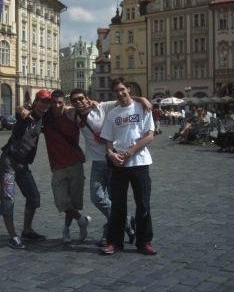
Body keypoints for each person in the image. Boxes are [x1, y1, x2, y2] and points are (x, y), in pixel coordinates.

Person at [70, 88, 141, 246]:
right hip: (96, 162)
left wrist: (142, 99)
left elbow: (124, 100)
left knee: (113, 199)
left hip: (112, 160)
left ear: (87, 98)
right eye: (74, 100)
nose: (79, 102)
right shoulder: (74, 115)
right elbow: (56, 108)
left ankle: (108, 233)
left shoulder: (103, 107)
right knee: (97, 197)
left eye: (81, 98)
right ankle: (127, 221)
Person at [100, 78, 156, 255]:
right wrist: (111, 154)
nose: (120, 93)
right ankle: (114, 242)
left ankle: (144, 241)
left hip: (140, 163)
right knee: (118, 205)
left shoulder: (142, 107)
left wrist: (130, 152)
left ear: (129, 89)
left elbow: (149, 135)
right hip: (119, 165)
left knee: (143, 204)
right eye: (116, 91)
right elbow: (108, 142)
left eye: (122, 89)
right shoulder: (112, 114)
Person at [0, 89, 52, 249]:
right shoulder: (25, 115)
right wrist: (21, 109)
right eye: (42, 101)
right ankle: (12, 236)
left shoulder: (44, 117)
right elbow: (18, 108)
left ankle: (27, 230)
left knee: (34, 197)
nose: (44, 104)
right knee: (8, 199)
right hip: (8, 162)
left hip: (23, 165)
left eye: (47, 102)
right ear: (36, 101)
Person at [43, 89, 92, 243]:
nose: (57, 106)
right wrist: (21, 109)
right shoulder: (46, 118)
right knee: (61, 201)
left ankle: (66, 230)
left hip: (75, 163)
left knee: (73, 202)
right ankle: (82, 220)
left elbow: (92, 109)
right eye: (54, 103)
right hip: (57, 166)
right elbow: (27, 110)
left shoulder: (72, 115)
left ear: (64, 103)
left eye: (60, 103)